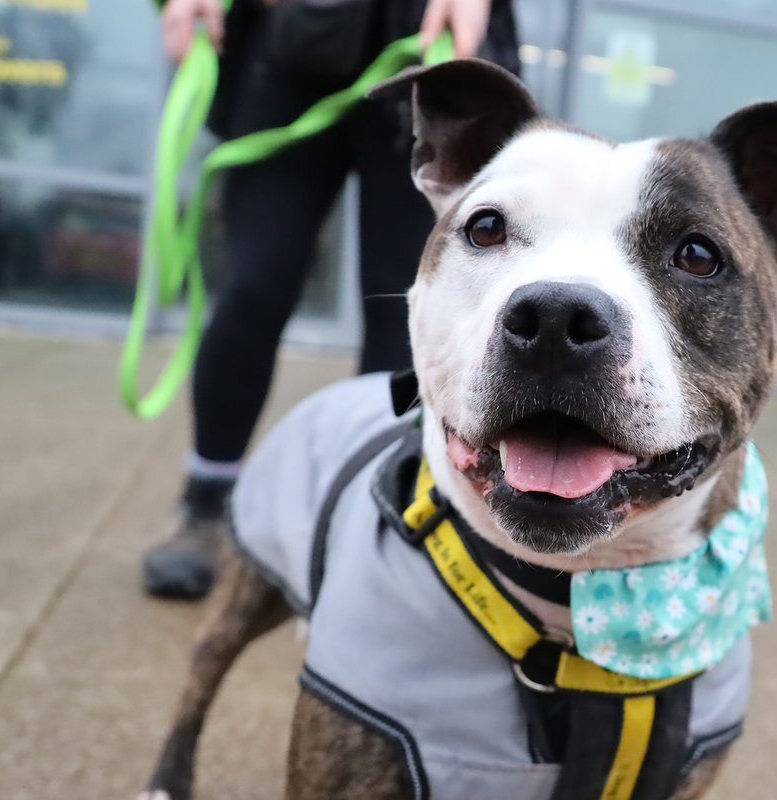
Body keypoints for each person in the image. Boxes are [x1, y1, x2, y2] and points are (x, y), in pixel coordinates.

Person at [142, 0, 520, 599]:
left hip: (425, 35)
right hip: (286, 40)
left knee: (404, 309)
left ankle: (377, 513)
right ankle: (206, 502)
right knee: (252, 285)